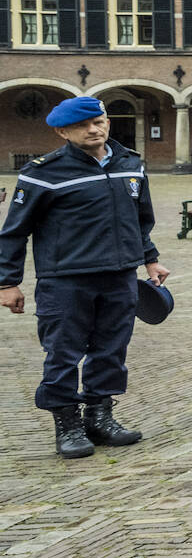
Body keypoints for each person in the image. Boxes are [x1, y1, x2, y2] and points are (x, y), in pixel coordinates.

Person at [0, 95, 169, 459]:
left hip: (120, 276)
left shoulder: (131, 164)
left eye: (99, 121)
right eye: (82, 125)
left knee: (111, 351)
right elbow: (15, 231)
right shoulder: (42, 172)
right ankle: (67, 424)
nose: (94, 129)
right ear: (63, 132)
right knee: (62, 353)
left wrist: (150, 260)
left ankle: (99, 417)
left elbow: (141, 220)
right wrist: (7, 281)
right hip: (66, 280)